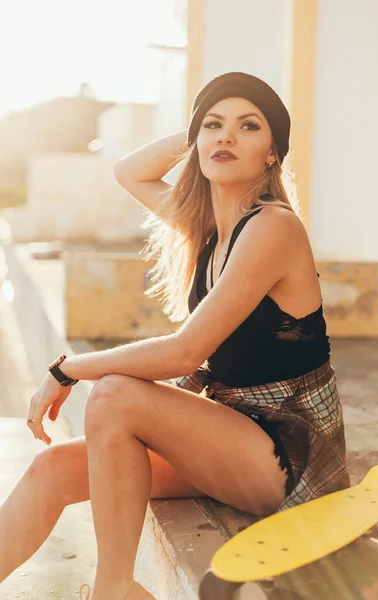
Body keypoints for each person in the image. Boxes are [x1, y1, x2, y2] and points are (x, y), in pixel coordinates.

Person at [0, 72, 350, 600]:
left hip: (289, 456)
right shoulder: (211, 229)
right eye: (214, 126)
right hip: (233, 435)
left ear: (273, 154)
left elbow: (184, 352)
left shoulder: (274, 227)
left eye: (247, 127)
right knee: (54, 467)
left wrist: (66, 368)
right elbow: (128, 171)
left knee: (115, 394)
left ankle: (114, 589)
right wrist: (199, 133)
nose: (225, 137)